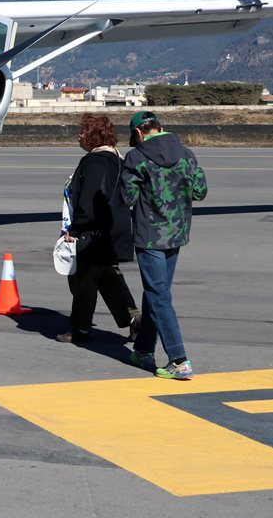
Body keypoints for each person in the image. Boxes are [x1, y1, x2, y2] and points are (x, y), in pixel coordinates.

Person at [122, 110, 208, 380]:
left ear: (138, 133)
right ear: (160, 127)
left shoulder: (136, 158)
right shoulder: (186, 154)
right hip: (177, 233)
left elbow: (128, 198)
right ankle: (144, 350)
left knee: (158, 295)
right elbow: (200, 191)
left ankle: (178, 359)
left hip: (150, 235)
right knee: (155, 292)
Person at [57, 113, 139, 344]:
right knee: (109, 277)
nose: (79, 135)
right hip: (113, 231)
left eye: (83, 131)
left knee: (83, 280)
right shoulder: (117, 160)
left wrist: (75, 229)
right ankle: (135, 321)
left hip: (93, 233)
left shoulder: (95, 161)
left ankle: (80, 328)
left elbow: (90, 200)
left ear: (93, 135)